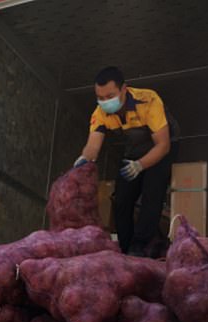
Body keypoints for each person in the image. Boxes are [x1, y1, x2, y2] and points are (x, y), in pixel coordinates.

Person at [75, 66, 180, 257]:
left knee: (152, 191)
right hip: (135, 149)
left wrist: (140, 165)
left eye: (110, 96)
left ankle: (141, 246)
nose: (105, 102)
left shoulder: (148, 100)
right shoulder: (100, 113)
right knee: (121, 198)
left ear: (124, 89)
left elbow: (163, 145)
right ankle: (125, 248)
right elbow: (93, 145)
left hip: (162, 147)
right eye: (100, 98)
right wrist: (84, 159)